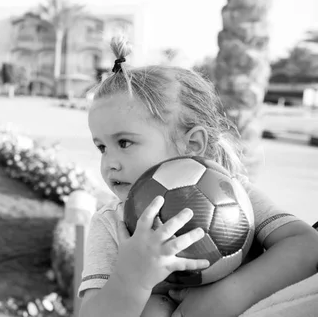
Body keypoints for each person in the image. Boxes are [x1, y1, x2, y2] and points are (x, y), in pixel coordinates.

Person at [78, 37, 318, 317]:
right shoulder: (111, 223)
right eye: (102, 147)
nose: (109, 163)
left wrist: (230, 295)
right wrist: (131, 280)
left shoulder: (233, 195)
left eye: (125, 143)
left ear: (193, 145)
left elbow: (306, 245)